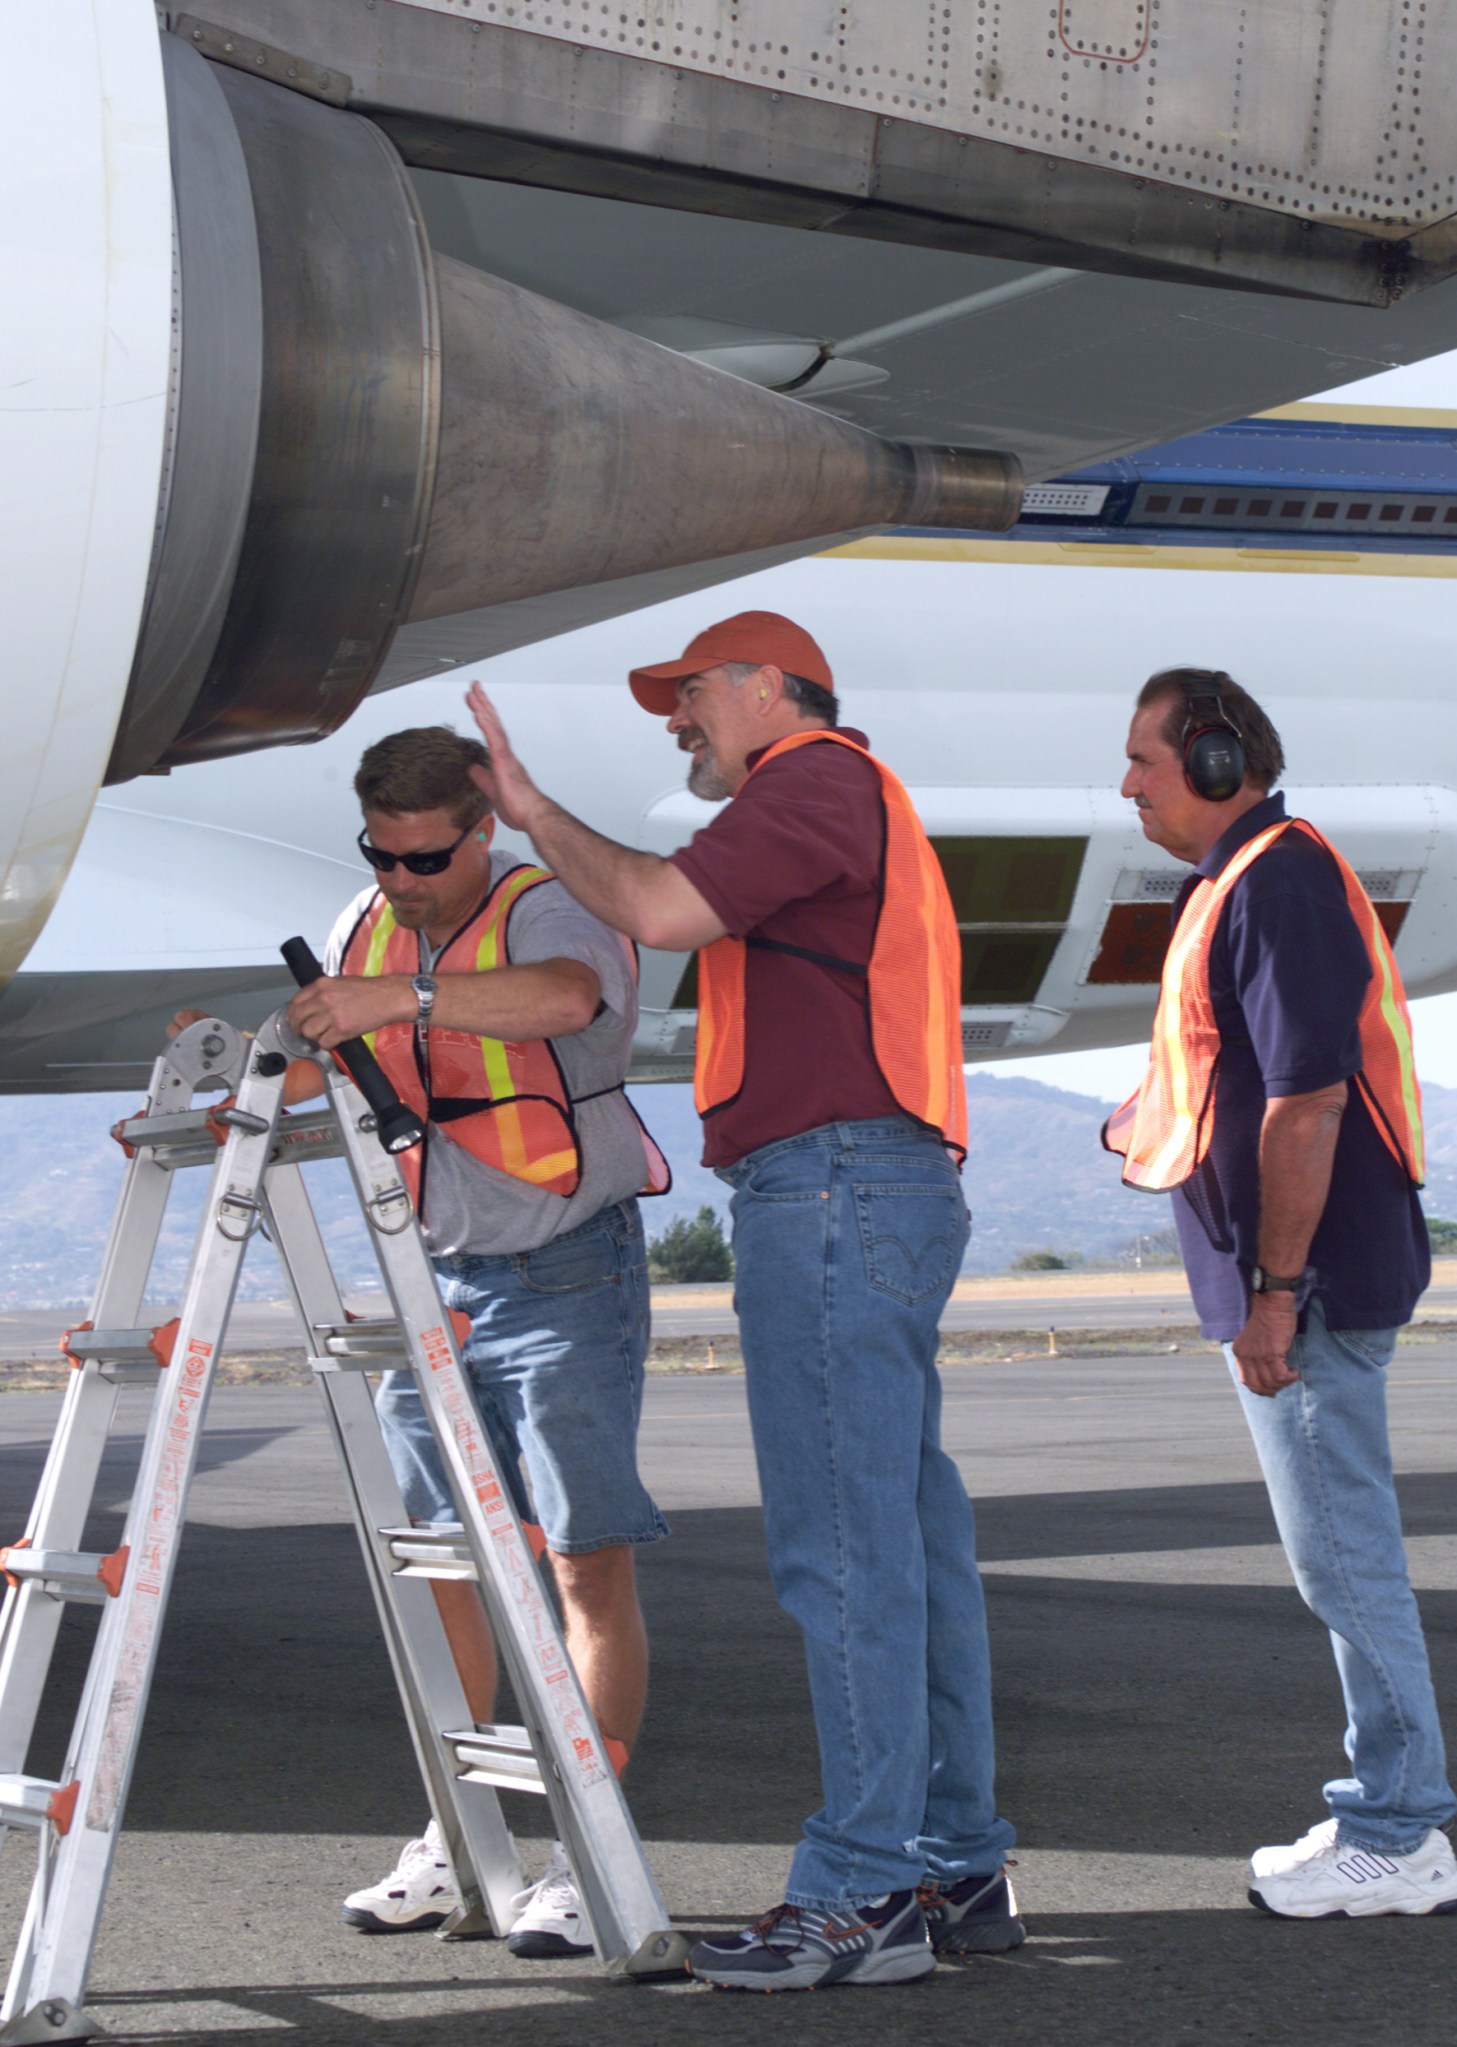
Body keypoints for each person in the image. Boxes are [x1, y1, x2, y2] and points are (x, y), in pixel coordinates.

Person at [464, 610, 1021, 1992]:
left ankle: (864, 1888)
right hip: (873, 1183)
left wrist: (531, 812)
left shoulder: (814, 779)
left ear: (771, 687)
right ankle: (951, 1858)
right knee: (907, 1543)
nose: (676, 717)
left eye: (692, 691)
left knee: (841, 1550)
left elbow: (655, 907)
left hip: (832, 1191)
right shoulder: (846, 794)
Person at [276, 725, 669, 1956]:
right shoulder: (368, 919)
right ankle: (462, 1836)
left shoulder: (552, 910)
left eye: (425, 857)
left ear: (478, 829)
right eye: (380, 857)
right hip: (428, 1284)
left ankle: (584, 1847)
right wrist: (219, 1080)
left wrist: (403, 993)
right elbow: (316, 1053)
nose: (400, 881)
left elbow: (564, 1002)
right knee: (441, 1559)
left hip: (563, 1275)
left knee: (580, 1564)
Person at [1105, 667, 1457, 1920]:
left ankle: (1402, 1826)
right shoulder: (1235, 884)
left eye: (1144, 760)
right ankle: (1389, 1807)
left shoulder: (1277, 878)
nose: (1129, 784)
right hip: (1286, 1286)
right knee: (1335, 1556)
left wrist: (1272, 1292)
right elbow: (1240, 1079)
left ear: (1212, 762)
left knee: (1341, 1558)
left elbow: (1305, 1100)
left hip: (1300, 1293)